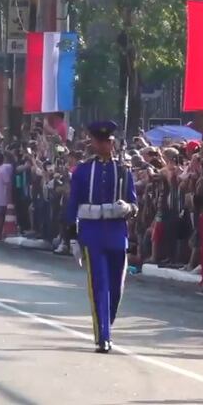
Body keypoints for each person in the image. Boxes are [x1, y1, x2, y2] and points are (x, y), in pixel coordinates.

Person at [65, 121, 137, 354]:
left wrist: (128, 207)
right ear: (94, 143)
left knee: (116, 288)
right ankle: (103, 336)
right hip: (92, 233)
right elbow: (73, 204)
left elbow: (135, 204)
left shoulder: (124, 171)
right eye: (100, 141)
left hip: (117, 233)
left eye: (108, 141)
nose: (105, 144)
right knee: (100, 286)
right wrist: (72, 236)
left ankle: (107, 322)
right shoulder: (83, 171)